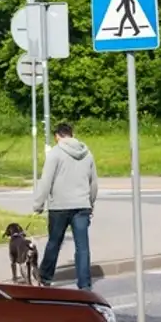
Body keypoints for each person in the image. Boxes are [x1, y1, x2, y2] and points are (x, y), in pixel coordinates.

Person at [33, 122, 99, 290]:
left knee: (54, 242)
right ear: (72, 134)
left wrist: (38, 204)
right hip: (82, 206)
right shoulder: (87, 154)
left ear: (57, 136)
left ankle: (45, 277)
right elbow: (93, 183)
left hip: (59, 207)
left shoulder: (55, 153)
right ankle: (84, 285)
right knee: (82, 247)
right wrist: (90, 203)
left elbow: (46, 181)